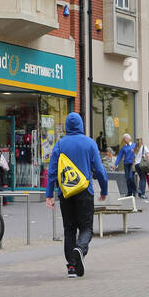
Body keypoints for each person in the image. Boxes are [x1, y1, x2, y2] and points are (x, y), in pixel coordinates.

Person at [44, 112, 108, 277]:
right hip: (85, 191)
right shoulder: (90, 143)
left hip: (66, 192)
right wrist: (104, 189)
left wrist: (49, 194)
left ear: (66, 126)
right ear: (81, 125)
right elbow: (100, 170)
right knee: (86, 228)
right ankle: (80, 248)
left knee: (69, 228)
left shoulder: (59, 144)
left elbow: (52, 172)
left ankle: (71, 266)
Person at [133, 137, 149, 202]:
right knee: (143, 178)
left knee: (141, 177)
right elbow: (147, 156)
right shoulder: (144, 147)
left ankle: (140, 190)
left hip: (137, 165)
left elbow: (134, 158)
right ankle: (142, 193)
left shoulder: (135, 149)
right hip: (142, 164)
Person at [119, 133, 137, 198]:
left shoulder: (134, 145)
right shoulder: (124, 147)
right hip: (126, 164)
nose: (124, 140)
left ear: (129, 138)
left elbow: (138, 153)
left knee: (131, 177)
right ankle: (129, 192)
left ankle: (134, 191)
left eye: (125, 138)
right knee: (127, 178)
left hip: (132, 164)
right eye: (124, 139)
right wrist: (116, 164)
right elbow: (120, 156)